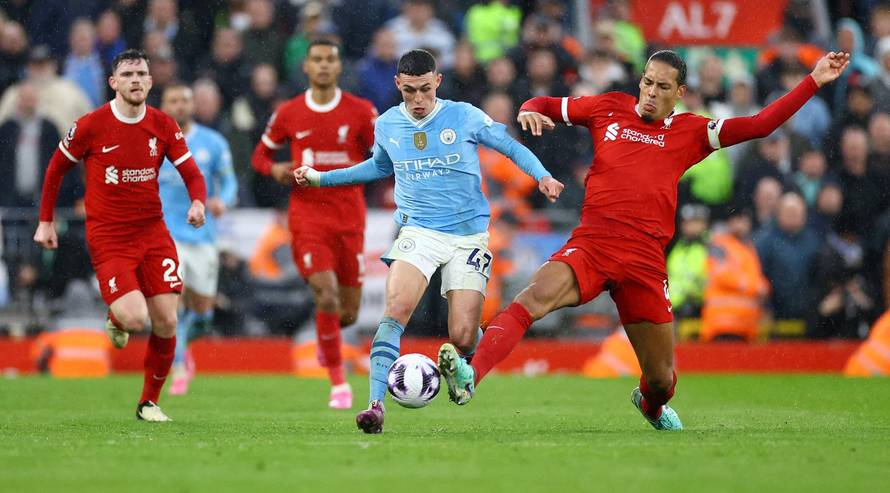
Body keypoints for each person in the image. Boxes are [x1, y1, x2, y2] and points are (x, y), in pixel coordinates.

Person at [435, 49, 851, 431]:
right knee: (529, 301)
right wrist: (528, 109)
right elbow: (543, 103)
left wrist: (813, 80)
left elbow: (760, 124)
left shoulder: (691, 131)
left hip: (645, 262)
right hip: (593, 245)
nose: (651, 92)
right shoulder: (608, 108)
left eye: (663, 86)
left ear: (679, 92)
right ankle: (471, 374)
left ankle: (651, 405)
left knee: (661, 378)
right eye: (648, 82)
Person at [294, 49, 563, 433]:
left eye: (424, 90)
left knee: (462, 335)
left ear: (437, 81)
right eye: (409, 92)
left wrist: (543, 176)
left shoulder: (464, 115)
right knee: (395, 310)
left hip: (468, 236)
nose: (417, 101)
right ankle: (375, 406)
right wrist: (321, 177)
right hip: (417, 231)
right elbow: (378, 167)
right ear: (397, 86)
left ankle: (465, 369)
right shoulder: (387, 124)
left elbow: (510, 147)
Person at [33, 49, 207, 422]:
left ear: (150, 81)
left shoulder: (163, 125)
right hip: (110, 236)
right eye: (127, 74)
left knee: (168, 320)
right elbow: (54, 170)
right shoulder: (90, 125)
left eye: (141, 74)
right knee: (135, 319)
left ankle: (148, 403)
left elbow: (192, 172)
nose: (135, 80)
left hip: (153, 232)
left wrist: (198, 203)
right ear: (113, 82)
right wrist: (45, 221)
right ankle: (117, 315)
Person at [251, 40, 377, 410]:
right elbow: (261, 155)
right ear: (306, 67)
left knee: (348, 312)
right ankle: (338, 382)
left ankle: (325, 342)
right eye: (317, 60)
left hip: (349, 218)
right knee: (326, 294)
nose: (323, 66)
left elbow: (383, 157)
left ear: (339, 67)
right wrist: (274, 168)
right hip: (308, 219)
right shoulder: (289, 112)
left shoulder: (361, 111)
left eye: (330, 60)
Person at [158, 82, 238, 395]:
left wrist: (223, 200)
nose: (179, 105)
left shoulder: (213, 142)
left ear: (192, 105)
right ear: (164, 105)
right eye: (173, 99)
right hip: (166, 235)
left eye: (184, 100)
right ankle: (178, 367)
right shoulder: (153, 142)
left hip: (203, 235)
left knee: (203, 312)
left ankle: (185, 346)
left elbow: (229, 181)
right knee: (171, 304)